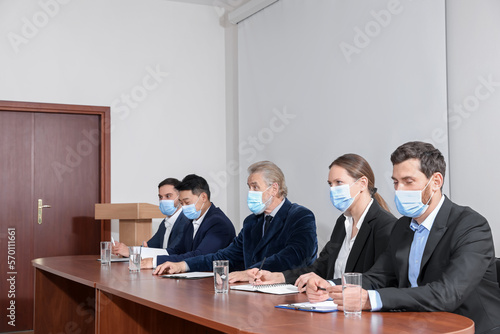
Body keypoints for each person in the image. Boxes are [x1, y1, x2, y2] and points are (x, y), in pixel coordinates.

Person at [308, 142, 500, 334]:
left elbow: (448, 293)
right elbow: (378, 277)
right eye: (395, 182)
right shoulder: (402, 226)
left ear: (436, 182)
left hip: (467, 327)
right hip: (416, 324)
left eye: (408, 181)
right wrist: (331, 285)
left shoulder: (471, 226)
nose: (399, 190)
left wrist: (371, 299)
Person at [250, 154, 396, 293]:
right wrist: (279, 277)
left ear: (362, 183)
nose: (333, 189)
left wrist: (330, 284)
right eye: (330, 184)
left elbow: (378, 279)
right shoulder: (343, 222)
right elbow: (320, 268)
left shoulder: (385, 225)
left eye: (339, 182)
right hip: (333, 306)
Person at [152, 161, 318, 281]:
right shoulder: (251, 222)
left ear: (274, 188)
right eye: (249, 187)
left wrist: (251, 272)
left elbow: (293, 257)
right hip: (251, 293)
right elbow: (226, 255)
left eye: (255, 187)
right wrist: (183, 265)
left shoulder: (300, 216)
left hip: (288, 296)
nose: (250, 192)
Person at [141, 174, 236, 268]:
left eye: (187, 202)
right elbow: (178, 250)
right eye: (181, 203)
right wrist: (148, 254)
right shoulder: (190, 221)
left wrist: (155, 262)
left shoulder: (218, 223)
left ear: (203, 197)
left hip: (216, 279)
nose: (184, 207)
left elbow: (200, 255)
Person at [112, 177, 190, 257]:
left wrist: (131, 252)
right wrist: (123, 249)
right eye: (160, 197)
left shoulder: (186, 221)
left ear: (180, 198)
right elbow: (149, 247)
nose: (163, 200)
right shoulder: (165, 223)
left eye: (168, 196)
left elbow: (174, 252)